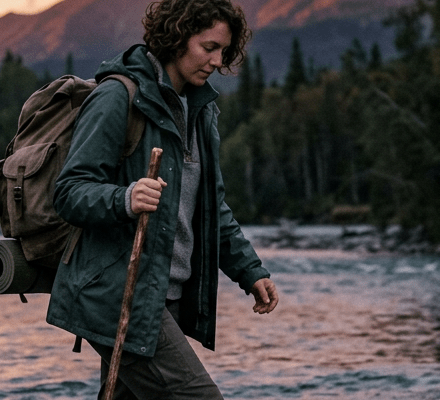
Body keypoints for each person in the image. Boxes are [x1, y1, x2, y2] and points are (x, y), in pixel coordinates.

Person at [48, 0, 279, 398]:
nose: (217, 61)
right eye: (208, 47)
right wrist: (125, 198)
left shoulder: (199, 110)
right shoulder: (117, 97)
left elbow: (211, 208)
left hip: (164, 294)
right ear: (176, 38)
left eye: (223, 51)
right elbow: (69, 192)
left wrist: (250, 271)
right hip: (122, 295)